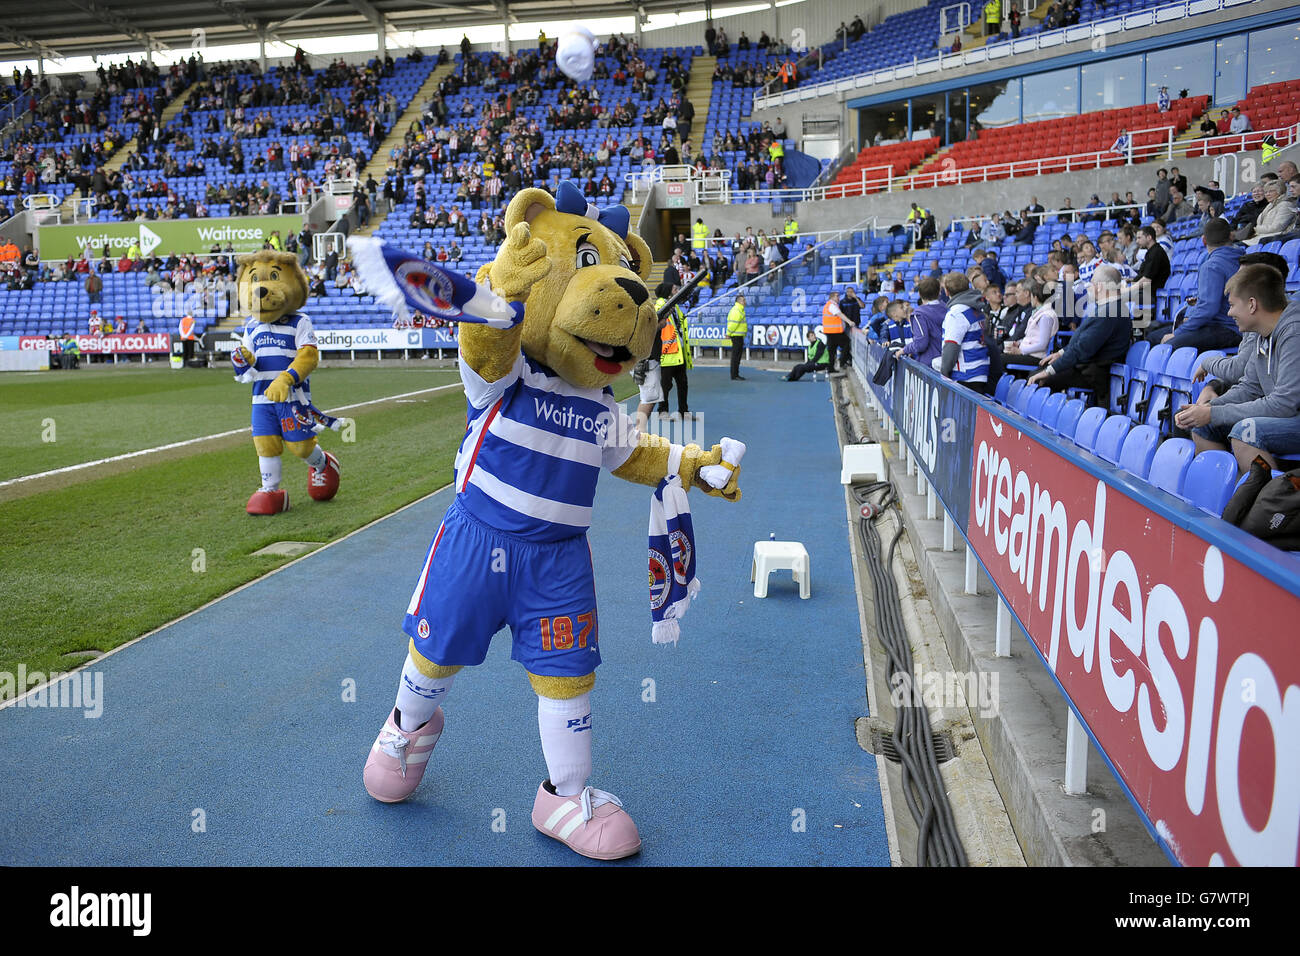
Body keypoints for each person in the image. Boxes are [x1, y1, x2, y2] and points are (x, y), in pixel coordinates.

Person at [1176, 264, 1300, 473]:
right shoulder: (1263, 333)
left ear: (1252, 305)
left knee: (1245, 433)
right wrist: (1206, 410)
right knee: (1203, 426)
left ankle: (1273, 502)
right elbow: (1249, 388)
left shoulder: (1294, 332)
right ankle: (1227, 498)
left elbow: (1284, 405)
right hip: (1286, 417)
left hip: (1293, 417)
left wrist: (1213, 413)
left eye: (1232, 305)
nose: (1229, 312)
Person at [1029, 265, 1131, 407]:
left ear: (1100, 286)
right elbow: (1082, 337)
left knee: (1039, 379)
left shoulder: (1110, 311)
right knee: (1039, 372)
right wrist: (1060, 353)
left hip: (1093, 373)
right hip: (1086, 366)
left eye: (1092, 284)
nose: (1089, 288)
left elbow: (1082, 349)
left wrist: (1049, 372)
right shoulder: (1109, 307)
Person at [1149, 218, 1243, 350]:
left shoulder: (1212, 266)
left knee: (1167, 344)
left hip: (1226, 327)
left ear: (1203, 240)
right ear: (1231, 236)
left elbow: (1208, 308)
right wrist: (1189, 315)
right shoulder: (1242, 256)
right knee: (1155, 334)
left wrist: (1178, 333)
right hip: (1230, 325)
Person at [932, 273, 991, 393]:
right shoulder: (975, 308)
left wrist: (944, 373)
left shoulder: (957, 313)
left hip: (966, 377)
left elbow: (951, 346)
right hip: (980, 372)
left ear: (947, 292)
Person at [1001, 281, 1058, 376]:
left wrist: (1021, 351)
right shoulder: (1039, 313)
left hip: (1036, 357)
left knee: (1000, 358)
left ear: (1035, 297)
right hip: (1029, 353)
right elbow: (1032, 337)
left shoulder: (1046, 316)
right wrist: (1018, 343)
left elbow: (1042, 344)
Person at [895, 276, 946, 368]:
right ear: (939, 291)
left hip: (930, 366)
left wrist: (904, 350)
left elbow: (921, 343)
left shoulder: (919, 315)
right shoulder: (948, 309)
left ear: (919, 294)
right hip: (949, 362)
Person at [658, 282, 692, 417]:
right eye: (675, 289)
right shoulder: (660, 307)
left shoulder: (675, 307)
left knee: (683, 384)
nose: (677, 291)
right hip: (667, 354)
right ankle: (662, 410)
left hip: (678, 353)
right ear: (668, 292)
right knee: (665, 386)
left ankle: (683, 411)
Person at [822, 291, 849, 373]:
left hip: (830, 332)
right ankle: (842, 361)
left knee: (832, 351)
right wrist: (849, 321)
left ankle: (830, 367)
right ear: (832, 297)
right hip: (834, 332)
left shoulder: (828, 305)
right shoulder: (832, 305)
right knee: (846, 343)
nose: (838, 298)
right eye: (837, 296)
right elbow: (840, 315)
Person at [727, 293, 747, 381]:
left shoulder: (739, 309)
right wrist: (729, 333)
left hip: (738, 336)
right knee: (736, 356)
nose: (745, 302)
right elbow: (733, 324)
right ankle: (734, 375)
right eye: (743, 300)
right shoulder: (737, 310)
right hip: (736, 336)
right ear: (739, 301)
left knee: (737, 356)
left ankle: (735, 374)